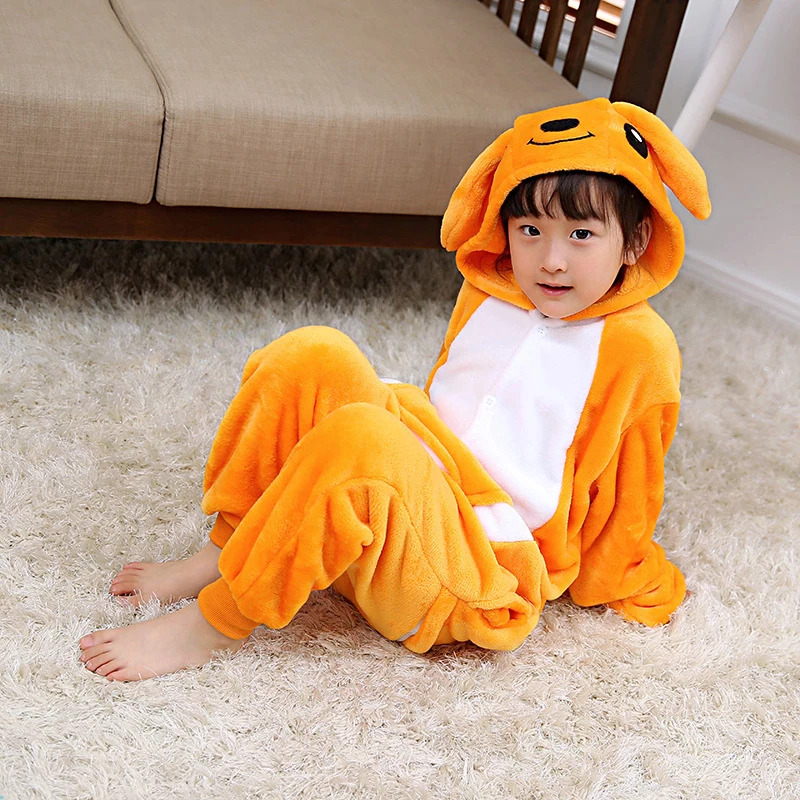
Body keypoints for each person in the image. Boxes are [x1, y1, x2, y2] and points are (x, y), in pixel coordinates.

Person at [79, 98, 711, 681]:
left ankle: (215, 624)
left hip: (481, 571)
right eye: (530, 230)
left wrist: (630, 580)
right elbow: (453, 412)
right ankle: (230, 547)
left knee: (362, 438)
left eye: (581, 235)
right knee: (314, 353)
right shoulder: (489, 292)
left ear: (634, 241)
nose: (551, 260)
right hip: (420, 496)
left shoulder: (641, 348)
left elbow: (630, 485)